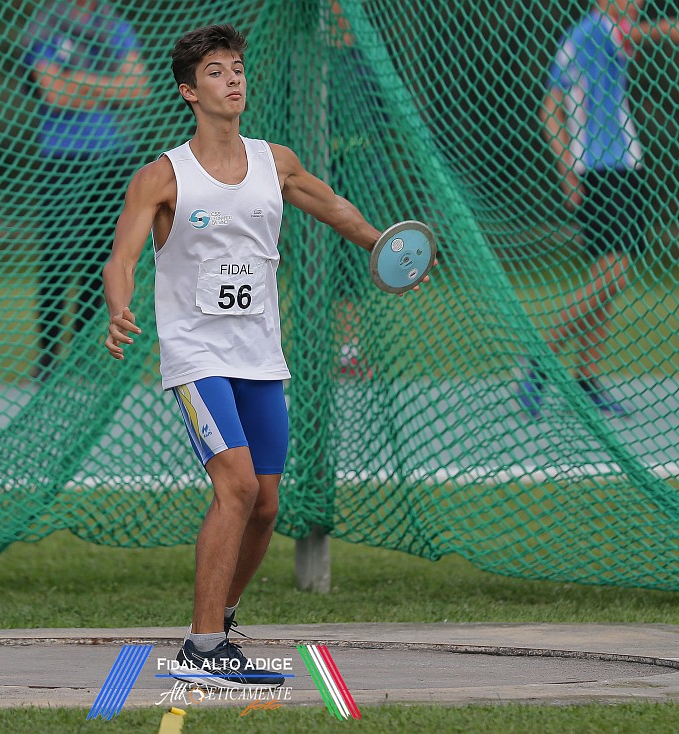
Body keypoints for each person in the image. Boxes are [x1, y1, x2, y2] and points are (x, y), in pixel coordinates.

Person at [102, 24, 428, 688]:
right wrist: (119, 307)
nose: (233, 80)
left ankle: (219, 619)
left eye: (238, 69)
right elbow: (122, 259)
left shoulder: (274, 162)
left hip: (259, 356)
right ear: (189, 91)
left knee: (267, 504)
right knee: (238, 486)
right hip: (196, 356)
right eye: (216, 72)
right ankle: (202, 650)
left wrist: (384, 249)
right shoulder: (162, 177)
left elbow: (335, 208)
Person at [518, 0, 679, 418]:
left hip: (619, 167)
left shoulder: (581, 36)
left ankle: (586, 379)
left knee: (608, 278)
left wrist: (566, 167)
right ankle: (539, 356)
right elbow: (666, 29)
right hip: (603, 169)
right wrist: (568, 168)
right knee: (613, 275)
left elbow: (550, 108)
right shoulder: (596, 31)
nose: (638, 3)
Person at [21, 0, 151, 381]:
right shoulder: (46, 23)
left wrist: (78, 80)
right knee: (59, 255)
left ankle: (81, 354)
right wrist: (109, 87)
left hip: (113, 155)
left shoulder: (113, 24)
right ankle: (47, 357)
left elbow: (138, 89)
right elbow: (54, 94)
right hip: (62, 156)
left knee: (102, 258)